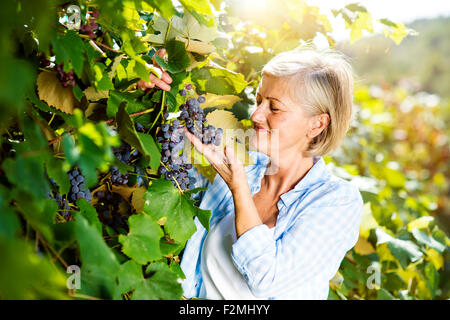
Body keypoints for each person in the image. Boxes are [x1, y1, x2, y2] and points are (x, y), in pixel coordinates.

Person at [145, 46, 364, 300]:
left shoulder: (337, 201)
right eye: (259, 100)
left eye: (275, 107)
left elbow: (266, 279)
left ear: (317, 124)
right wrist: (146, 92)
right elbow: (152, 172)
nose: (256, 114)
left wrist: (239, 191)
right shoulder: (243, 166)